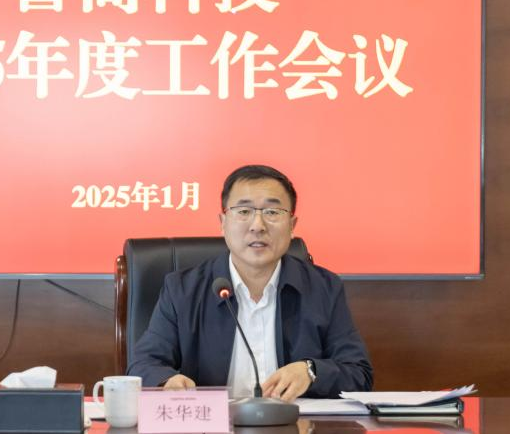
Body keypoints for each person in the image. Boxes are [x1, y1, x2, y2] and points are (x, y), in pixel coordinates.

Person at [127, 164, 372, 400]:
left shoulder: (324, 288)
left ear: (292, 226)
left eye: (272, 212)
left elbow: (358, 374)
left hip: (296, 425)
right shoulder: (182, 290)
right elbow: (143, 365)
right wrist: (167, 382)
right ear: (223, 223)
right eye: (244, 211)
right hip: (213, 427)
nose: (258, 226)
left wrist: (311, 372)